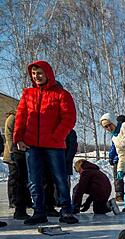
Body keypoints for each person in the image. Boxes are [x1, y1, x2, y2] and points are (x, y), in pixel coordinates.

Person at [13, 60, 78, 225]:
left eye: (40, 73)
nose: (37, 77)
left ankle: (66, 211)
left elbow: (69, 118)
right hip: (31, 145)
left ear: (48, 73)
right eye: (34, 74)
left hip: (54, 146)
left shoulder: (62, 94)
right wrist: (18, 138)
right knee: (34, 179)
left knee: (60, 179)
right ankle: (38, 212)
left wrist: (57, 136)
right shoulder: (27, 94)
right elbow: (20, 117)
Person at [3, 111, 32, 219]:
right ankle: (13, 200)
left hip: (22, 151)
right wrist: (11, 150)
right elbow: (8, 134)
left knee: (22, 178)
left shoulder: (25, 117)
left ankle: (26, 201)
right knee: (14, 177)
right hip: (13, 152)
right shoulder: (12, 117)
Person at [108, 114, 125, 202]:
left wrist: (111, 158)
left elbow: (113, 147)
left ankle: (119, 195)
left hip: (118, 160)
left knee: (118, 178)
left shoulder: (116, 133)